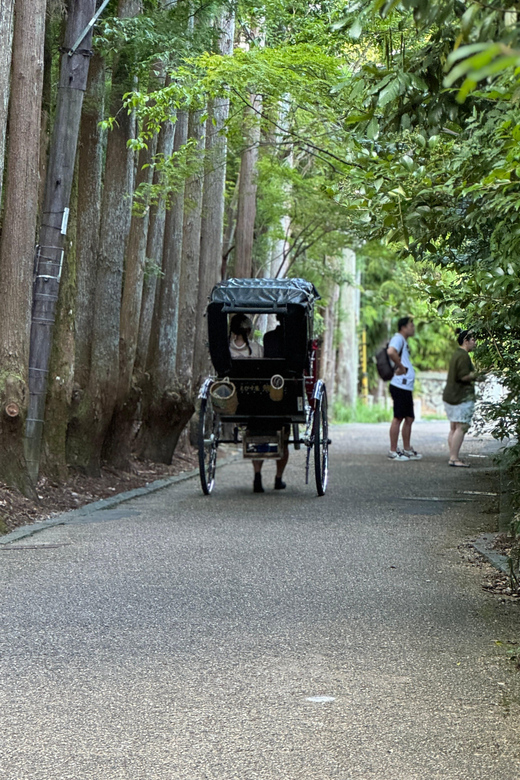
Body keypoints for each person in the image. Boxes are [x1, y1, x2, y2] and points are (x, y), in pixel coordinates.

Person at [387, 316, 422, 461]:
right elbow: (391, 352)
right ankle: (393, 450)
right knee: (398, 417)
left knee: (409, 418)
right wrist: (401, 367)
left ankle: (407, 449)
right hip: (399, 384)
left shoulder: (403, 341)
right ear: (403, 327)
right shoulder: (398, 338)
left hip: (405, 386)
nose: (413, 328)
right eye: (411, 325)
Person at [443, 329, 477, 467]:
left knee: (454, 427)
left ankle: (453, 456)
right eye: (473, 340)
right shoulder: (463, 356)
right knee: (461, 427)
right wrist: (477, 376)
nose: (475, 343)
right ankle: (454, 458)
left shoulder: (456, 354)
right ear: (466, 341)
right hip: (460, 396)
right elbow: (463, 376)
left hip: (450, 395)